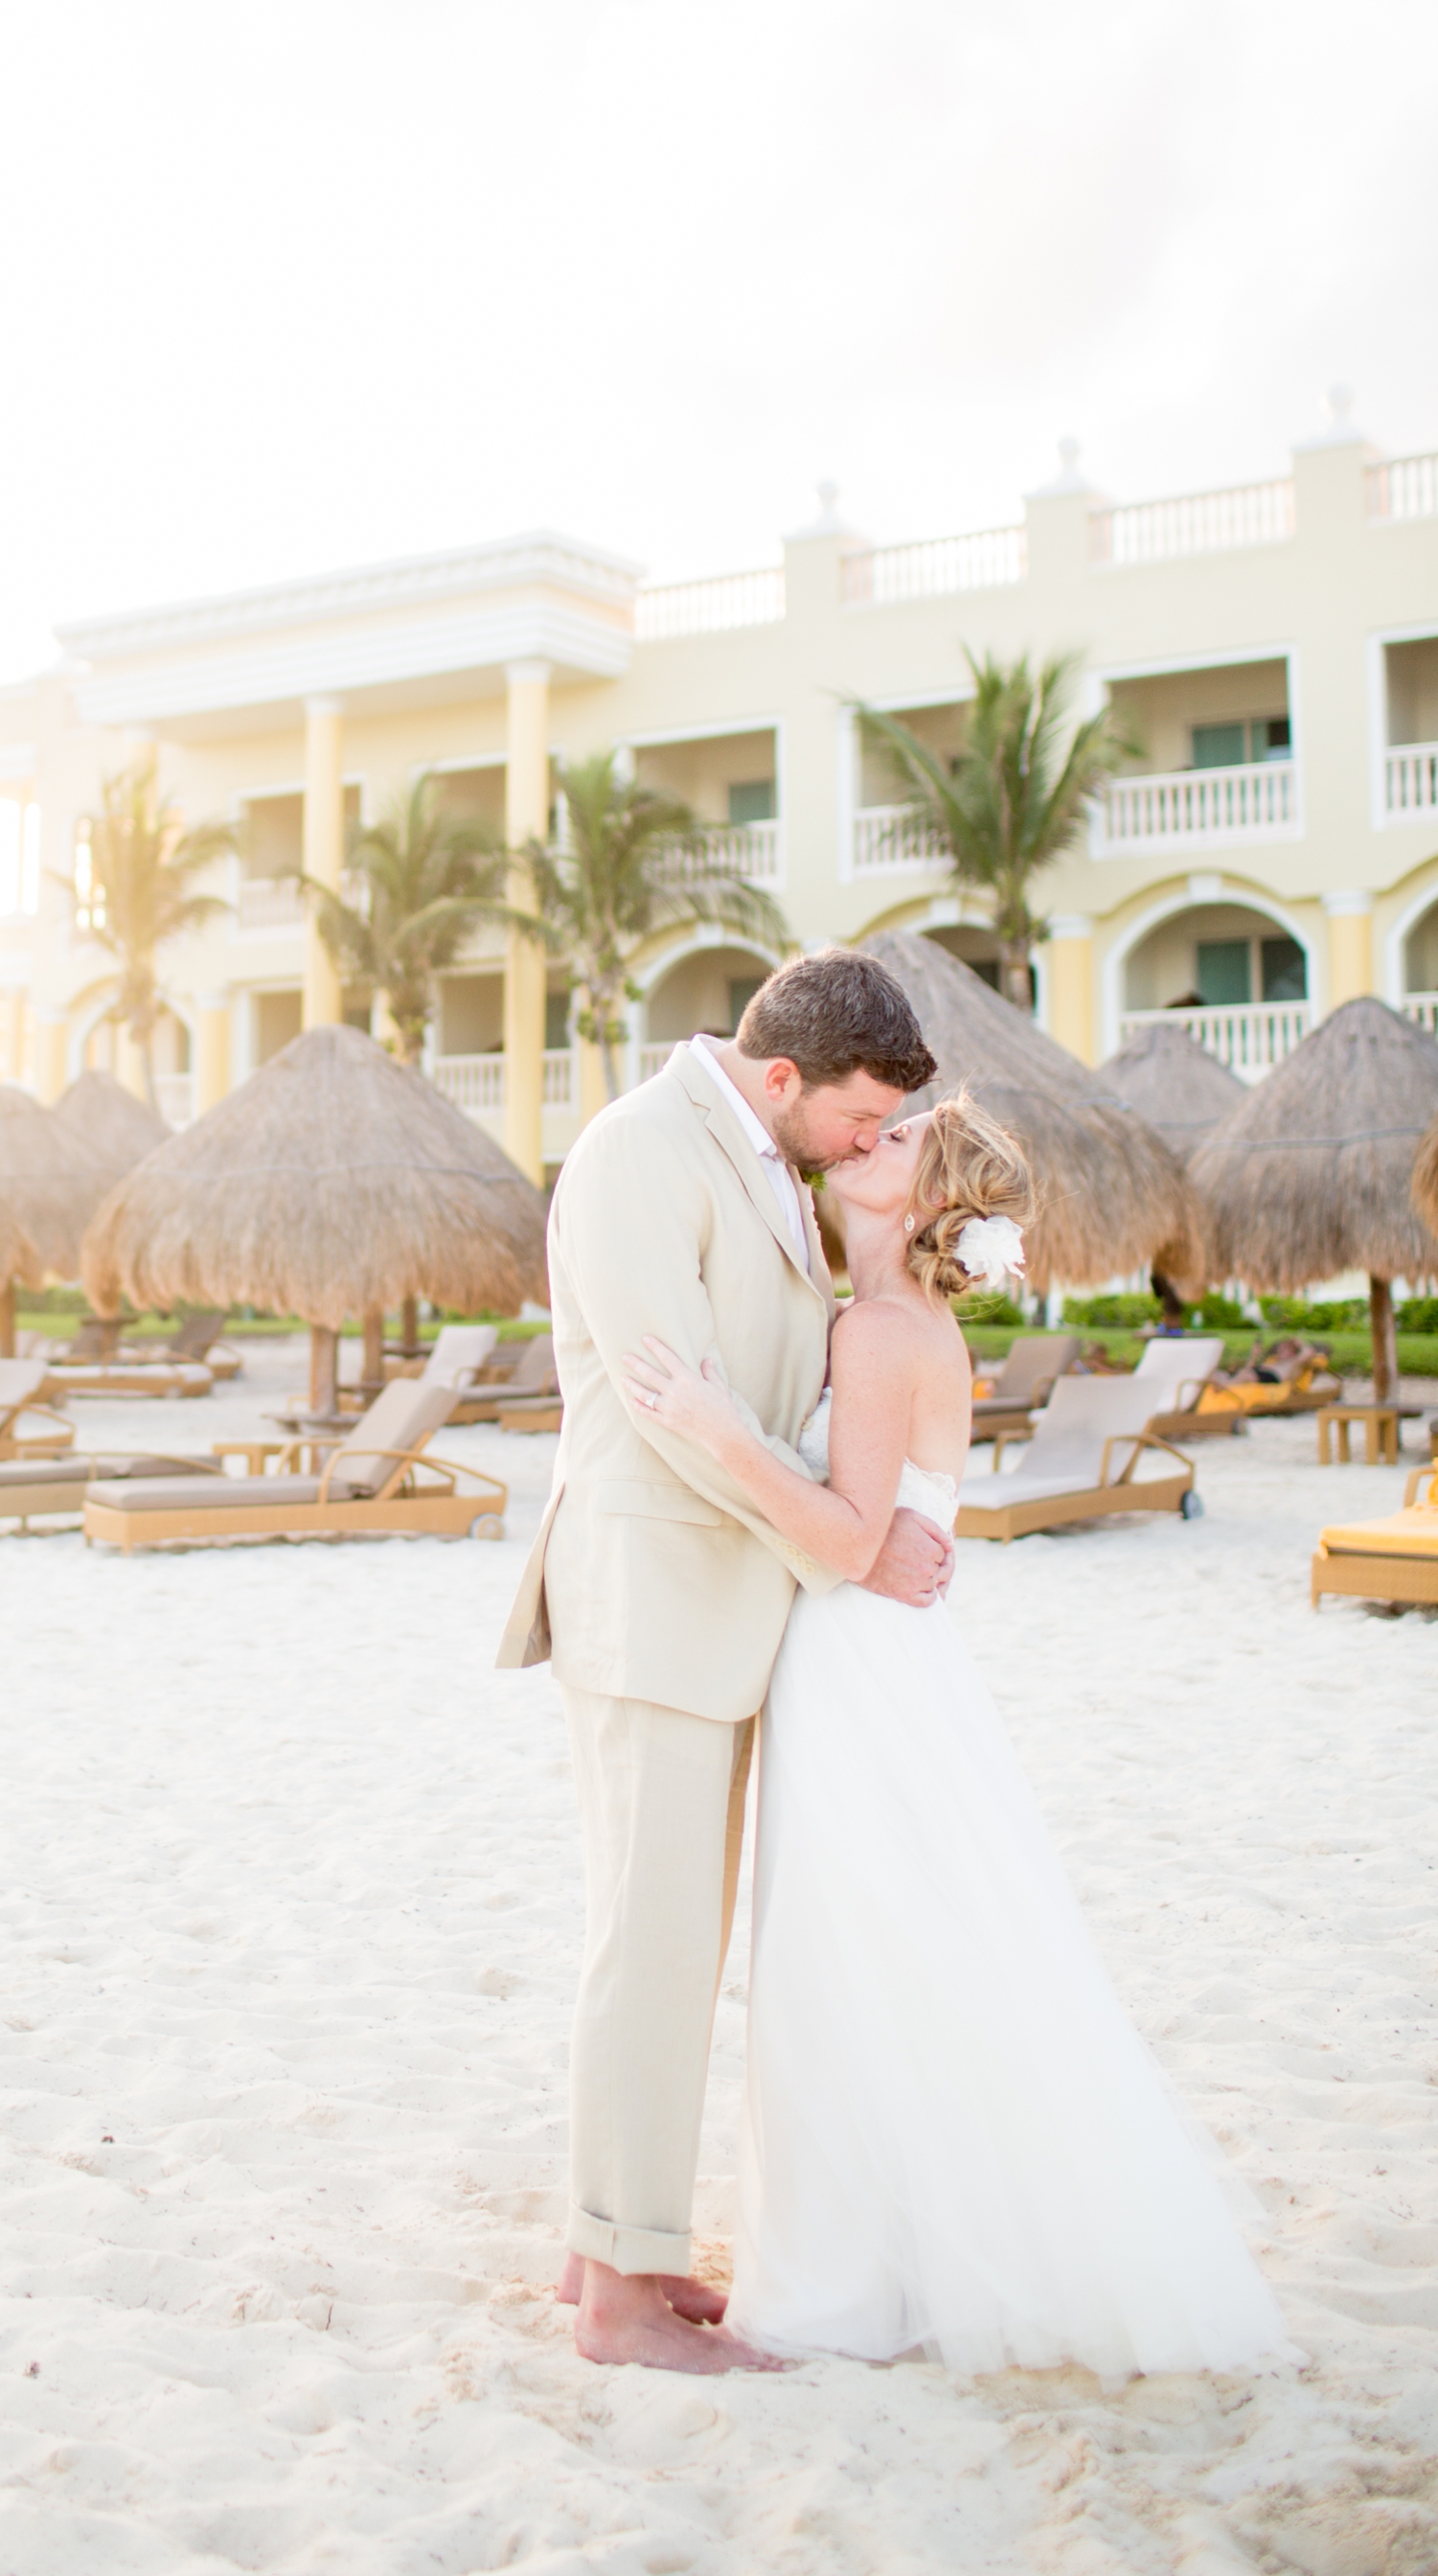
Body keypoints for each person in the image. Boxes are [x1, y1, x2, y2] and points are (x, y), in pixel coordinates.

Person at [625, 1092, 1289, 2377]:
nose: (865, 1138)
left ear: (926, 1204)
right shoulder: (868, 1318)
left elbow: (843, 1536)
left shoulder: (881, 1329)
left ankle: (846, 2284)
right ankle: (884, 2255)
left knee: (850, 1958)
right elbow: (875, 1534)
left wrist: (714, 1428)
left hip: (866, 1677)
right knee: (886, 1955)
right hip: (881, 1664)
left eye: (895, 1139)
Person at [496, 953, 948, 2373]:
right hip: (652, 1601)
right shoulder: (640, 1151)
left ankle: (608, 2241)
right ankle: (621, 2300)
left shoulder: (757, 1156)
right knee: (650, 1942)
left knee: (672, 1945)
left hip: (722, 1610)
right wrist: (851, 1545)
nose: (869, 1145)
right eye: (861, 1117)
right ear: (779, 1078)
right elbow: (670, 1406)